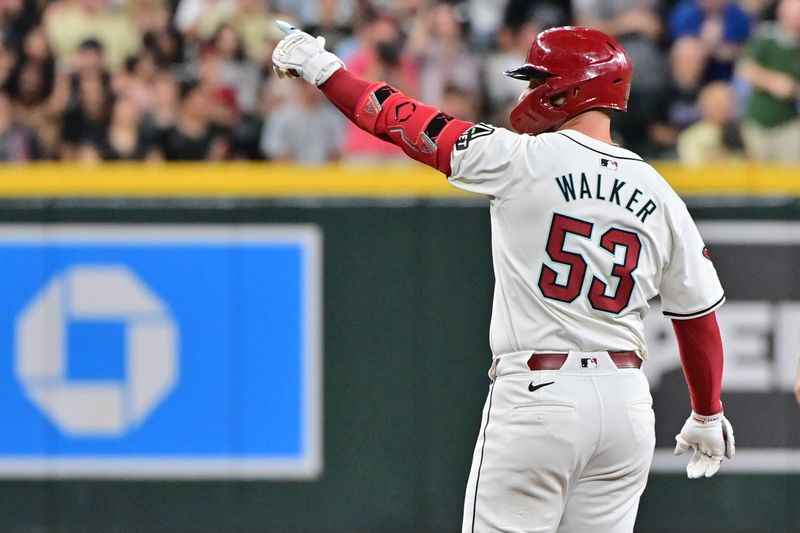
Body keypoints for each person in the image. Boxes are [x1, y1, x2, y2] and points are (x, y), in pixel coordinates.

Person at [273, 22, 736, 532]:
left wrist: (325, 71)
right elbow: (698, 317)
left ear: (571, 87)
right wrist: (707, 412)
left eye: (538, 79)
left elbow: (404, 121)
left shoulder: (522, 159)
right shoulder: (661, 192)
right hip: (627, 402)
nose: (529, 91)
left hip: (540, 394)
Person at [736, 0, 800, 162]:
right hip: (757, 120)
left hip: (789, 123)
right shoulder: (767, 37)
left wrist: (793, 89)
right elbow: (744, 69)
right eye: (792, 15)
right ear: (781, 14)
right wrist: (773, 82)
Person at [677, 81, 744, 164]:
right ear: (704, 106)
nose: (723, 107)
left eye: (727, 101)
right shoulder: (691, 137)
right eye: (718, 102)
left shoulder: (744, 132)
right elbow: (693, 169)